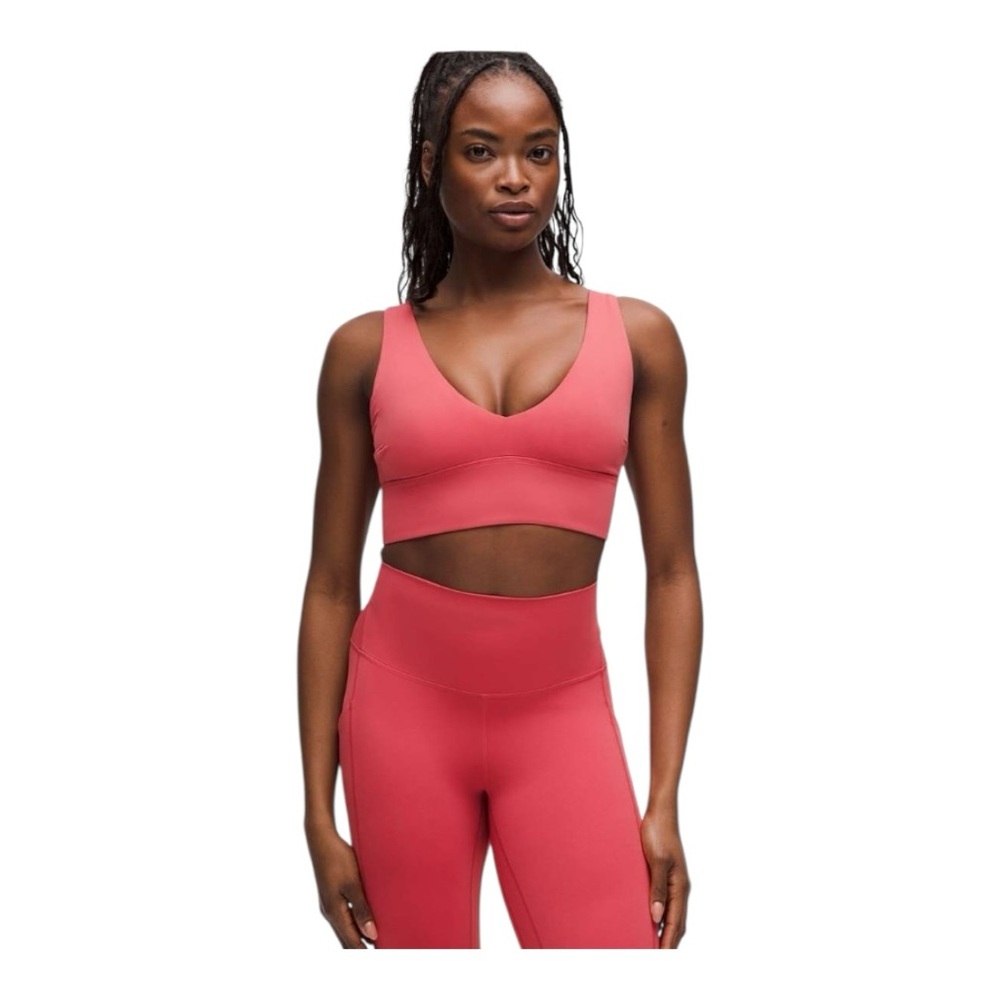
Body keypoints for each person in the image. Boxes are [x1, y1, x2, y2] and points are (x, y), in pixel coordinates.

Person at [298, 50, 702, 950]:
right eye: (481, 151)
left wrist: (665, 795)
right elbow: (329, 585)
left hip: (562, 715)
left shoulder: (639, 339)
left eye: (539, 150)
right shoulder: (363, 352)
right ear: (430, 163)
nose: (516, 177)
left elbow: (673, 573)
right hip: (400, 716)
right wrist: (318, 816)